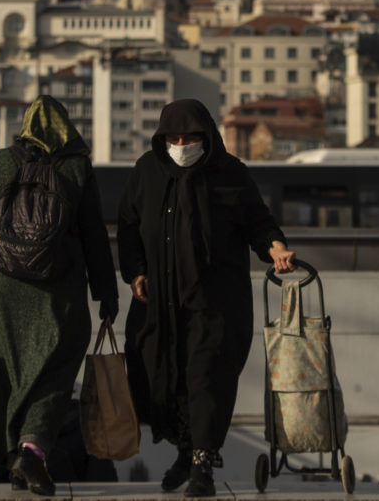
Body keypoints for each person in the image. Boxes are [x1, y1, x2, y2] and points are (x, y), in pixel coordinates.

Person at [0, 95, 119, 496]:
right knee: (55, 369)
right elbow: (95, 237)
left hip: (1, 286)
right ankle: (32, 451)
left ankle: (9, 456)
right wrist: (107, 295)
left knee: (6, 372)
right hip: (59, 289)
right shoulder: (76, 168)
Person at [117, 99, 296, 497]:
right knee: (160, 376)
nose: (182, 145)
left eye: (190, 137)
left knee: (206, 377)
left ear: (207, 137)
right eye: (174, 138)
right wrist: (136, 273)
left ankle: (202, 463)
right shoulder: (147, 171)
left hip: (214, 302)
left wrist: (277, 249)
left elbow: (259, 222)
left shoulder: (229, 173)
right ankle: (186, 450)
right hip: (157, 304)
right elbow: (128, 226)